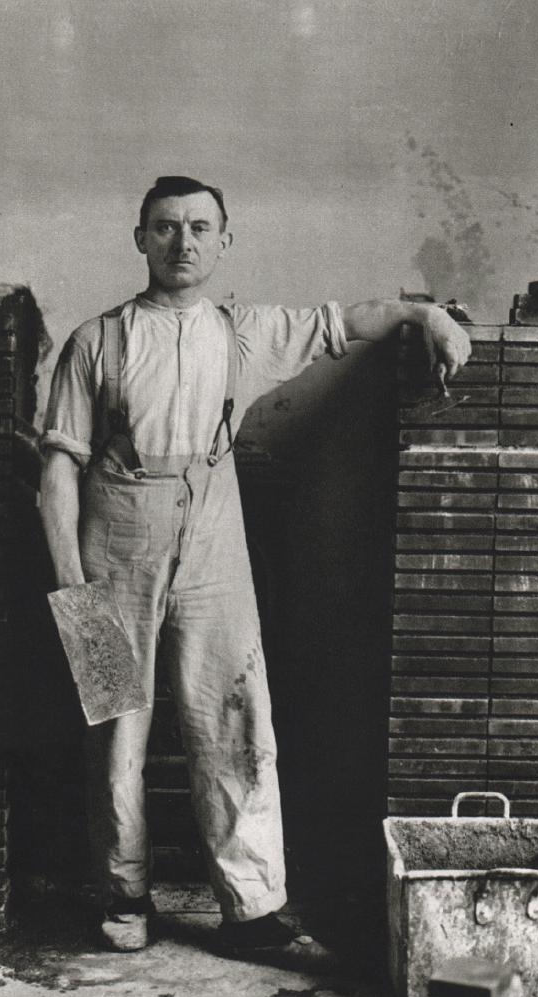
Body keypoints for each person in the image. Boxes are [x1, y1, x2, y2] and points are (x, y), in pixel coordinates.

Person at [39, 175, 470, 956]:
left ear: (224, 242)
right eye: (166, 228)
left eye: (200, 228)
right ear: (140, 238)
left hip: (211, 540)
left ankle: (252, 905)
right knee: (114, 728)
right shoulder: (95, 341)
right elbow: (60, 466)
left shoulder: (242, 332)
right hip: (114, 542)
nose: (183, 243)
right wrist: (73, 585)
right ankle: (124, 893)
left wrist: (425, 314)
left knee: (234, 716)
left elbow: (346, 322)